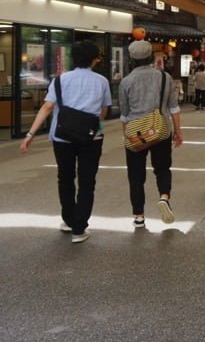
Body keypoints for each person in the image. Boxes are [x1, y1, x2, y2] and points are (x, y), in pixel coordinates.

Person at [19, 40, 112, 244]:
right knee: (87, 181)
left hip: (62, 137)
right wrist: (95, 125)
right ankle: (79, 228)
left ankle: (69, 221)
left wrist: (29, 135)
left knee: (65, 178)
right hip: (91, 137)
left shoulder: (60, 81)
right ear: (94, 59)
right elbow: (103, 113)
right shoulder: (102, 81)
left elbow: (47, 108)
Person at [119, 40, 183, 228]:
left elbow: (124, 114)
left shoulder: (126, 81)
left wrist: (126, 137)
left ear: (131, 58)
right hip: (161, 130)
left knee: (135, 175)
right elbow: (174, 107)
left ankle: (139, 216)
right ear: (151, 57)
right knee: (162, 168)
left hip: (136, 133)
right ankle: (164, 197)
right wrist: (178, 132)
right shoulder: (165, 77)